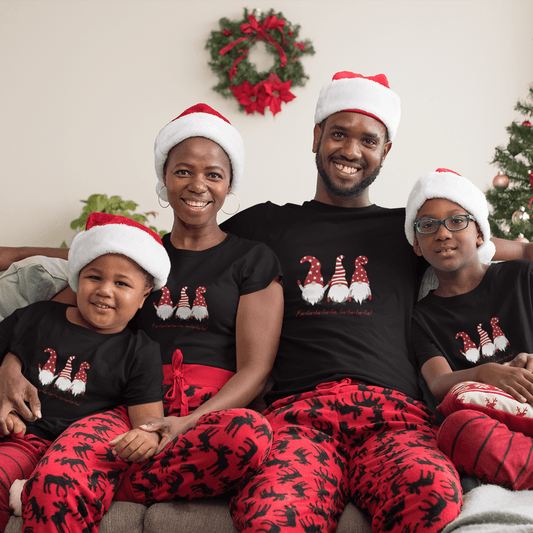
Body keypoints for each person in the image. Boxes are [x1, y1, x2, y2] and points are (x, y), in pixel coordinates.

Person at [220, 72, 533, 533]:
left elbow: (500, 247)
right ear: (316, 138)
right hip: (298, 418)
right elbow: (165, 251)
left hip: (395, 419)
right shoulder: (265, 225)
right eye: (339, 133)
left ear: (385, 152)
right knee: (272, 514)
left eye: (368, 139)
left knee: (431, 495)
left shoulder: (414, 231)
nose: (351, 150)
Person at [0, 103, 284, 533]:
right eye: (183, 171)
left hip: (207, 410)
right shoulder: (137, 256)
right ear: (164, 177)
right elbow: (49, 318)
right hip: (127, 403)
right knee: (60, 479)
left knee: (249, 436)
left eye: (213, 174)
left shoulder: (251, 258)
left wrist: (186, 423)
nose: (197, 185)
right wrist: (9, 364)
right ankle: (69, 482)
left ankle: (109, 483)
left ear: (229, 184)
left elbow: (257, 370)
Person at [0, 211, 171, 531]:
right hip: (22, 440)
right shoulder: (38, 317)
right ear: (77, 277)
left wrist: (147, 438)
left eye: (121, 283)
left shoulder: (140, 351)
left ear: (144, 295)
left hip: (80, 455)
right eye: (94, 277)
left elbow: (148, 423)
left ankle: (36, 488)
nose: (105, 290)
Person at [405, 167, 533, 491]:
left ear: (479, 233)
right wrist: (483, 374)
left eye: (457, 220)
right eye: (428, 225)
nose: (443, 233)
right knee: (456, 431)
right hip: (494, 422)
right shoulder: (422, 317)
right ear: (417, 244)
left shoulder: (521, 278)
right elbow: (438, 383)